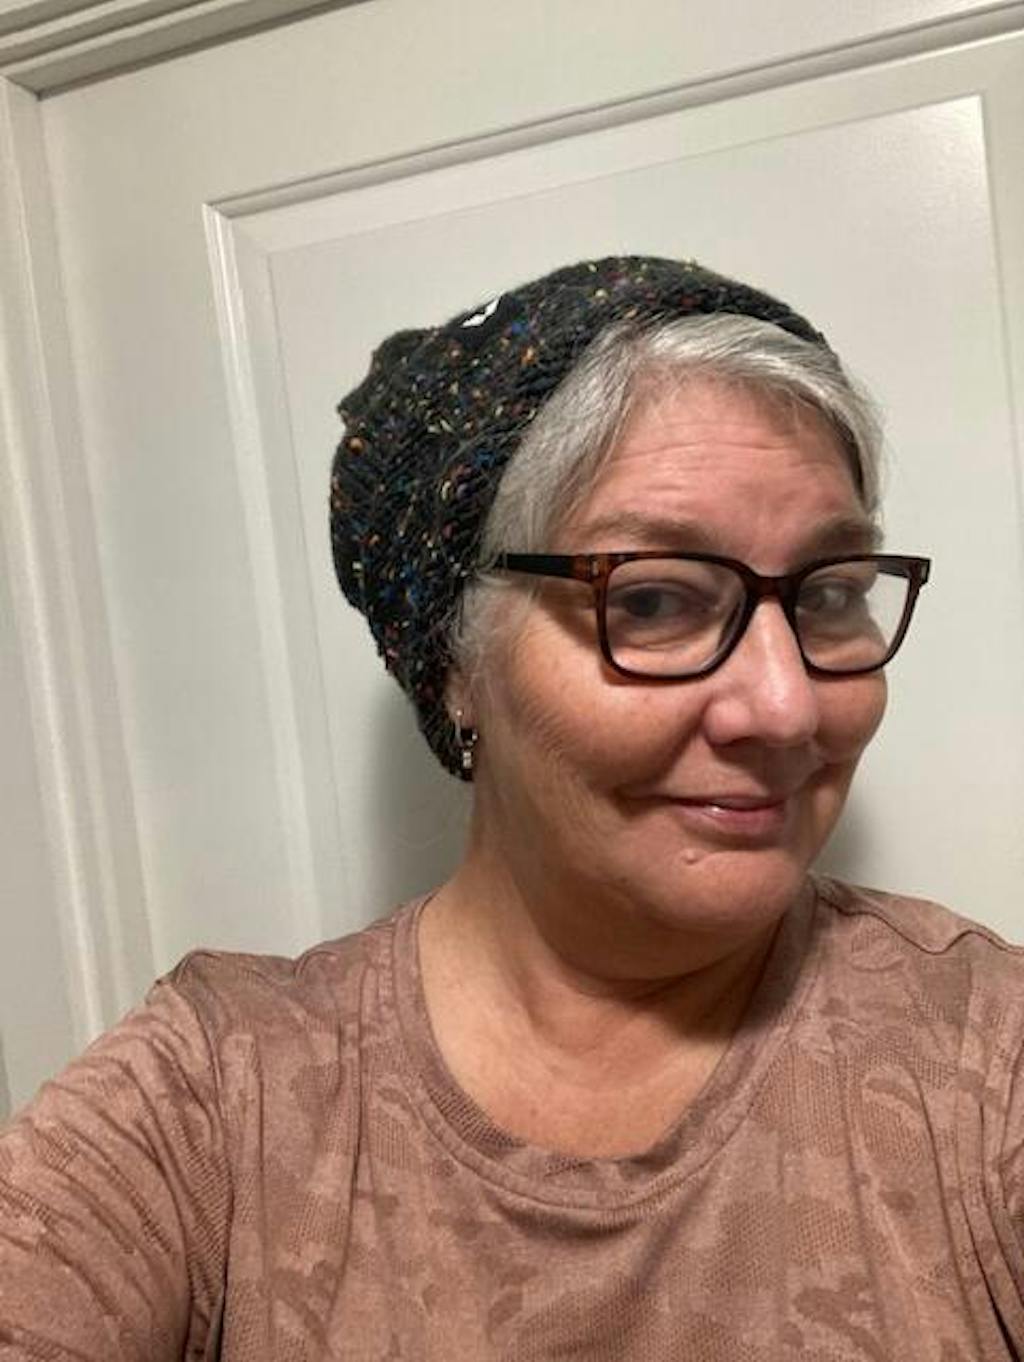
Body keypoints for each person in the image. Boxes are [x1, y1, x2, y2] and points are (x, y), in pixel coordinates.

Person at [1, 255, 1021, 1360]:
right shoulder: (214, 1103)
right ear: (456, 663)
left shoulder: (983, 1059)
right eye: (653, 601)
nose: (786, 708)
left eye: (829, 595)